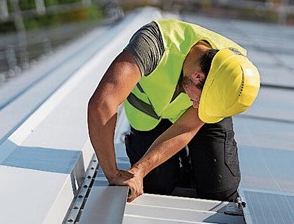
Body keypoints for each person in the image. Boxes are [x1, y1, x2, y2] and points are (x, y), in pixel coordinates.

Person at [87, 18, 260, 202]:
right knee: (156, 187)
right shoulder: (153, 44)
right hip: (149, 120)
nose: (196, 106)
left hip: (203, 112)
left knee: (219, 191)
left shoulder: (231, 76)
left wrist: (139, 169)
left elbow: (185, 128)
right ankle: (179, 165)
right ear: (198, 76)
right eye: (200, 100)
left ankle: (194, 163)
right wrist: (113, 174)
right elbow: (102, 104)